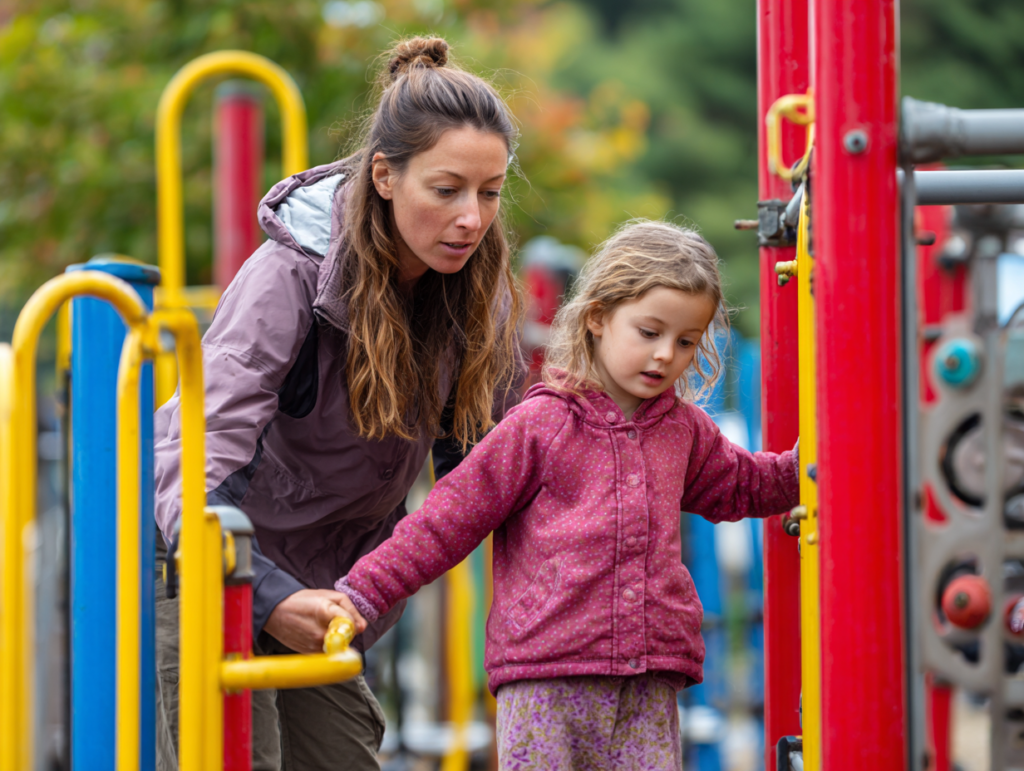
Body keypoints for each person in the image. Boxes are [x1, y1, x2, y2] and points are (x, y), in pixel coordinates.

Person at [152, 36, 524, 771]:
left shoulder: (474, 299)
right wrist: (261, 594)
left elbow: (491, 470)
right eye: (446, 189)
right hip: (216, 573)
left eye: (490, 192)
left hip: (332, 592)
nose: (472, 219)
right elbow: (196, 458)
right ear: (384, 176)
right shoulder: (288, 279)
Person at [335, 219, 801, 770]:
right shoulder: (541, 426)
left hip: (646, 679)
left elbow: (746, 485)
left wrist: (817, 463)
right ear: (599, 317)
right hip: (546, 678)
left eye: (685, 342)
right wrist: (362, 593)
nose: (664, 356)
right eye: (649, 333)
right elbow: (448, 518)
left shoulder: (684, 431)